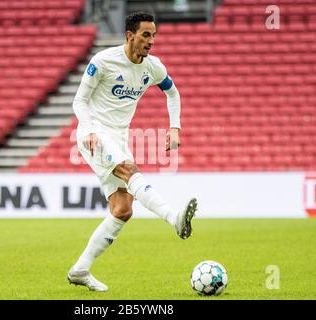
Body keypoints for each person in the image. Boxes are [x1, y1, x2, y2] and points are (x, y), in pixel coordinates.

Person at [68, 11, 198, 292]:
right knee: (131, 171)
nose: (151, 41)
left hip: (118, 137)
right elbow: (80, 101)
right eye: (146, 35)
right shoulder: (103, 61)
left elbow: (172, 92)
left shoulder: (153, 67)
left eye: (154, 35)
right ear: (130, 36)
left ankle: (80, 269)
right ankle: (174, 218)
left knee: (122, 210)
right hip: (95, 133)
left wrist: (174, 127)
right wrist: (88, 128)